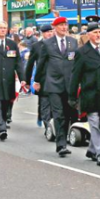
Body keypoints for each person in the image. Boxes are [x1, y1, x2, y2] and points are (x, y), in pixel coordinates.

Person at [69, 21, 100, 166]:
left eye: (99, 32)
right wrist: (72, 96)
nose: (98, 35)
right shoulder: (82, 52)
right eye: (95, 32)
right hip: (90, 94)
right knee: (95, 123)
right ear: (88, 35)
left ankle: (91, 150)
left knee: (99, 122)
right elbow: (75, 75)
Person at [32, 17, 77, 155]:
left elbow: (77, 62)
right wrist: (37, 81)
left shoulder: (73, 42)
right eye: (61, 25)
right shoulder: (47, 43)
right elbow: (41, 64)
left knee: (69, 114)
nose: (64, 27)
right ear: (55, 27)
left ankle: (67, 138)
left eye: (66, 25)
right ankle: (61, 145)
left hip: (70, 84)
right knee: (59, 114)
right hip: (53, 84)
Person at [25, 24, 54, 135]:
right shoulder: (37, 46)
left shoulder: (58, 44)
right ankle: (48, 128)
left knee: (55, 105)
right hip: (43, 79)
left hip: (57, 79)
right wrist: (28, 81)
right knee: (45, 104)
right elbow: (30, 64)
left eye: (51, 31)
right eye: (47, 32)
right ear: (42, 33)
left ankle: (54, 126)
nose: (50, 34)